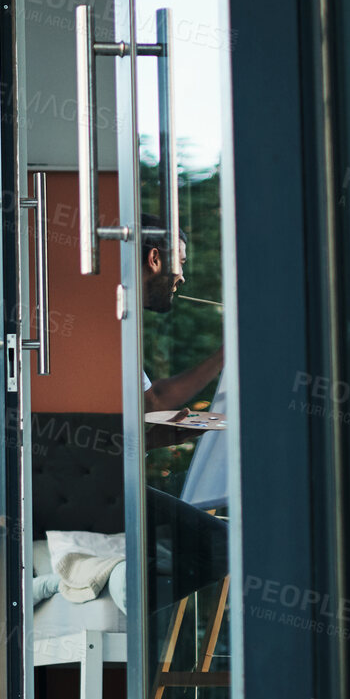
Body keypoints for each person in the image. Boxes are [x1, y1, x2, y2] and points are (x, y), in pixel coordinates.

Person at [137, 215, 229, 610]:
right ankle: (133, 608)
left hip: (105, 479)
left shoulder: (119, 327)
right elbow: (153, 404)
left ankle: (131, 605)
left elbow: (145, 427)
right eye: (182, 264)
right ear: (155, 258)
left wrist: (213, 422)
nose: (183, 278)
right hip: (95, 487)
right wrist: (229, 352)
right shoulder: (107, 321)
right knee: (217, 543)